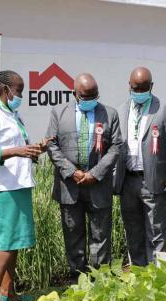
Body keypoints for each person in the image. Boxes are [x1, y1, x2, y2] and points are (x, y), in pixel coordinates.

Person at [0, 70, 51, 301]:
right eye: (18, 90)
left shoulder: (13, 114)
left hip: (19, 184)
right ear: (5, 89)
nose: (21, 95)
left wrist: (34, 149)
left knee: (16, 241)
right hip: (2, 187)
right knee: (6, 241)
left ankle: (8, 292)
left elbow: (18, 148)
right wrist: (16, 151)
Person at [46, 73, 122, 282]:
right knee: (73, 233)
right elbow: (52, 146)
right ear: (75, 94)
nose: (90, 100)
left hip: (98, 185)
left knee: (100, 234)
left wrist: (95, 174)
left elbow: (116, 147)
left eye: (94, 96)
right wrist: (72, 171)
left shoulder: (110, 114)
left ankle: (100, 279)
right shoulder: (59, 113)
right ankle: (77, 278)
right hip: (69, 186)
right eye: (85, 97)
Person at [113, 66, 166, 266]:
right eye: (136, 89)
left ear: (151, 86)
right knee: (132, 230)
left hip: (152, 179)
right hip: (127, 180)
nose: (139, 93)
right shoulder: (120, 110)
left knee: (156, 231)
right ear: (129, 86)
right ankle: (138, 271)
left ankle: (155, 276)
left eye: (144, 89)